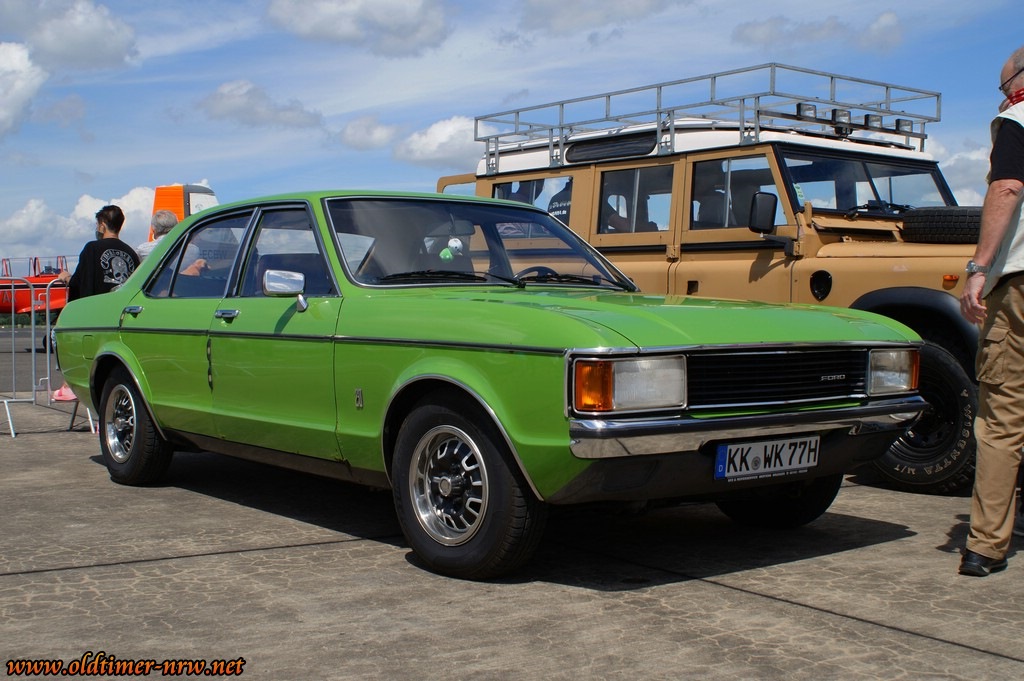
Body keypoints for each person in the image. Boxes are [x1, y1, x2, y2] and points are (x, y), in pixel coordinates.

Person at [957, 45, 1024, 577]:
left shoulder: (1017, 119)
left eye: (1005, 87)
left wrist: (979, 266)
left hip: (1019, 283)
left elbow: (1007, 185)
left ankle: (986, 545)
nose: (1004, 97)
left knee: (1003, 416)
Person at [51, 205, 140, 401]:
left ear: (102, 225)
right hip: (120, 316)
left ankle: (71, 385)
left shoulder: (92, 248)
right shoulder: (131, 253)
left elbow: (80, 282)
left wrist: (66, 278)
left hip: (97, 314)